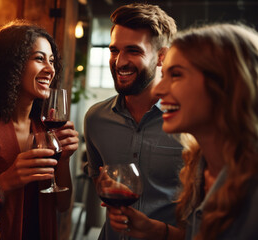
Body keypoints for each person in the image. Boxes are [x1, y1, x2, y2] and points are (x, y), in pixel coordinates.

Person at [109, 23, 258, 240]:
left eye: (176, 75)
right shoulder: (200, 166)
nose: (159, 90)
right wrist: (156, 230)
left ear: (226, 84)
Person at [0, 20, 79, 240]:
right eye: (39, 58)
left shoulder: (43, 126)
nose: (50, 69)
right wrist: (7, 180)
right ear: (13, 64)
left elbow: (63, 205)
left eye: (52, 61)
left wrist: (64, 160)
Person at [83, 3, 184, 240]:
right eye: (114, 50)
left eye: (133, 51)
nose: (119, 62)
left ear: (162, 57)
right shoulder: (96, 119)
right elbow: (101, 185)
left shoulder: (189, 122)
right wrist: (106, 187)